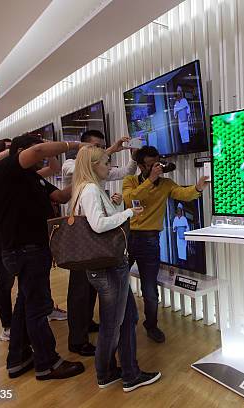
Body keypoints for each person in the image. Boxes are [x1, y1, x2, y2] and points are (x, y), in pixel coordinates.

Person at [0, 135, 86, 380]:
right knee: (38, 309)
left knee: (24, 306)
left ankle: (18, 359)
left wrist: (86, 180)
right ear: (22, 152)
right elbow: (39, 150)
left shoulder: (29, 177)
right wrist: (76, 146)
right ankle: (47, 363)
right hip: (24, 250)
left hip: (30, 250)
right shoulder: (6, 171)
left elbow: (61, 197)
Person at [71, 146, 161, 391]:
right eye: (106, 163)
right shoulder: (90, 189)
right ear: (93, 165)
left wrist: (115, 207)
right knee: (113, 323)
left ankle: (121, 371)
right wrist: (129, 212)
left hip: (109, 265)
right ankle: (116, 374)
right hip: (108, 266)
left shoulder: (89, 189)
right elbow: (99, 226)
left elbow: (99, 220)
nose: (110, 168)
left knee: (127, 317)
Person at [61, 129, 138, 357]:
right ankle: (78, 340)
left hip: (91, 246)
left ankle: (86, 329)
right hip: (85, 245)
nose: (105, 154)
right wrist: (128, 213)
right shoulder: (73, 168)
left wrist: (133, 156)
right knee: (80, 295)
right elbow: (98, 224)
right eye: (98, 148)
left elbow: (125, 171)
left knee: (90, 293)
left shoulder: (93, 181)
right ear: (86, 151)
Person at [123, 146, 209, 343]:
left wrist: (198, 187)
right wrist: (150, 180)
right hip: (128, 237)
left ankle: (151, 325)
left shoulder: (166, 184)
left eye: (157, 163)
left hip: (150, 240)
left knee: (150, 290)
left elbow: (183, 194)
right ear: (140, 166)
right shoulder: (130, 181)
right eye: (150, 165)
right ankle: (123, 319)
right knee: (119, 281)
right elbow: (130, 199)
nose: (156, 167)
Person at [0, 138, 62, 342]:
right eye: (7, 150)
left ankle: (21, 340)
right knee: (6, 283)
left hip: (28, 241)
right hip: (2, 238)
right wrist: (16, 152)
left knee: (27, 292)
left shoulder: (27, 175)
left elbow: (54, 168)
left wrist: (43, 147)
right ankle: (8, 326)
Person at [172, 203, 190, 268]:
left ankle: (185, 262)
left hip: (183, 236)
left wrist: (185, 229)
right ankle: (181, 262)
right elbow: (173, 228)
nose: (178, 211)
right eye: (177, 210)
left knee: (184, 249)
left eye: (179, 210)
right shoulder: (175, 219)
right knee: (179, 249)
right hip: (178, 237)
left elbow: (188, 227)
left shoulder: (184, 218)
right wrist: (175, 228)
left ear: (181, 211)